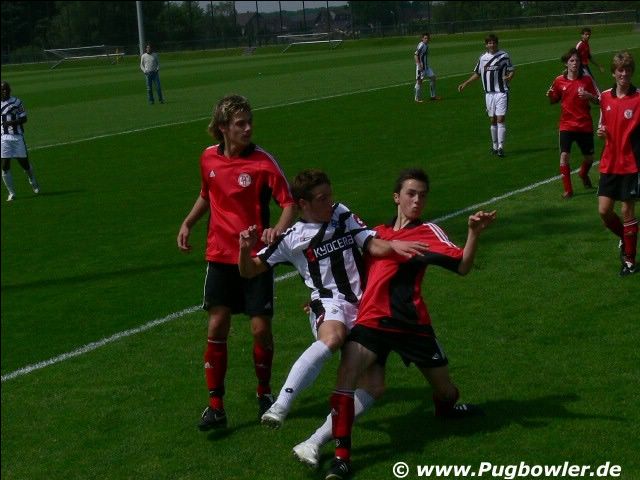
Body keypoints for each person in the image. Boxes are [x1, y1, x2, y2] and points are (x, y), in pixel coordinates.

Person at [322, 168, 496, 480]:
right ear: (396, 197)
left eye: (423, 195)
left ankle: (445, 407)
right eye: (411, 194)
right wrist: (324, 298)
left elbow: (462, 266)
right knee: (347, 373)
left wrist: (473, 233)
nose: (417, 200)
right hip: (372, 321)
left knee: (447, 392)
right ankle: (342, 457)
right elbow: (350, 273)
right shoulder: (374, 234)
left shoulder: (428, 232)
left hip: (412, 326)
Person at [238, 169, 427, 436]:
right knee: (333, 338)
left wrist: (394, 247)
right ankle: (280, 405)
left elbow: (371, 244)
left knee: (374, 386)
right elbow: (250, 270)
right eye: (322, 199)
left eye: (330, 196)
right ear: (303, 204)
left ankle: (314, 442)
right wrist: (244, 250)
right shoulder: (291, 238)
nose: (330, 202)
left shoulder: (341, 214)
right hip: (329, 302)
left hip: (366, 307)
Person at [177, 94, 297, 430]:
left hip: (255, 258)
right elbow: (207, 194)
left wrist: (276, 230)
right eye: (240, 124)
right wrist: (188, 222)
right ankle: (215, 406)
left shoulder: (263, 162)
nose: (247, 129)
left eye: (249, 122)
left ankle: (264, 393)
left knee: (260, 329)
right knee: (217, 325)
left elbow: (289, 203)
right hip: (219, 254)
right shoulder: (208, 158)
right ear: (222, 127)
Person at [596, 51, 639, 277]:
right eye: (620, 70)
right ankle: (626, 237)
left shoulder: (639, 97)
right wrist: (601, 131)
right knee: (604, 211)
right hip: (609, 162)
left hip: (631, 164)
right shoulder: (604, 97)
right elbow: (602, 123)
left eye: (628, 70)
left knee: (627, 210)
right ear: (614, 73)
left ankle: (629, 261)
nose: (624, 74)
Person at [546, 48, 600, 199]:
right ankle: (568, 191)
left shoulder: (587, 80)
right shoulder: (559, 80)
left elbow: (598, 100)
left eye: (577, 60)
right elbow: (554, 99)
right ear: (566, 63)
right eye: (572, 60)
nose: (575, 63)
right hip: (567, 125)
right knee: (564, 156)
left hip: (584, 124)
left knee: (589, 158)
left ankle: (583, 174)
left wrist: (588, 95)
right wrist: (550, 95)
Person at [458, 34, 515, 158]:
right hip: (489, 94)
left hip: (501, 92)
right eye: (489, 43)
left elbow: (511, 70)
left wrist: (509, 77)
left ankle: (500, 147)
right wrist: (466, 83)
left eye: (493, 42)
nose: (492, 45)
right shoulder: (483, 58)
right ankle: (494, 146)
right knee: (492, 120)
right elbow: (477, 73)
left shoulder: (504, 56)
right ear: (486, 45)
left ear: (497, 43)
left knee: (500, 119)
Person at [1, 81, 40, 202]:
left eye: (6, 89)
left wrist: (11, 123)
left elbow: (24, 118)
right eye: (2, 89)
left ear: (10, 90)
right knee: (5, 166)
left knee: (25, 164)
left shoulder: (17, 102)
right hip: (4, 139)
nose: (5, 91)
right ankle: (11, 193)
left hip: (17, 137)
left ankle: (32, 179)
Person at [414, 33, 440, 103]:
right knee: (419, 82)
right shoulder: (421, 45)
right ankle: (417, 99)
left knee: (433, 78)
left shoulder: (426, 45)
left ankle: (433, 96)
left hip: (426, 67)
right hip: (421, 68)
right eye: (425, 38)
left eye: (428, 38)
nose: (427, 39)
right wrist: (419, 65)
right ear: (422, 39)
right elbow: (415, 55)